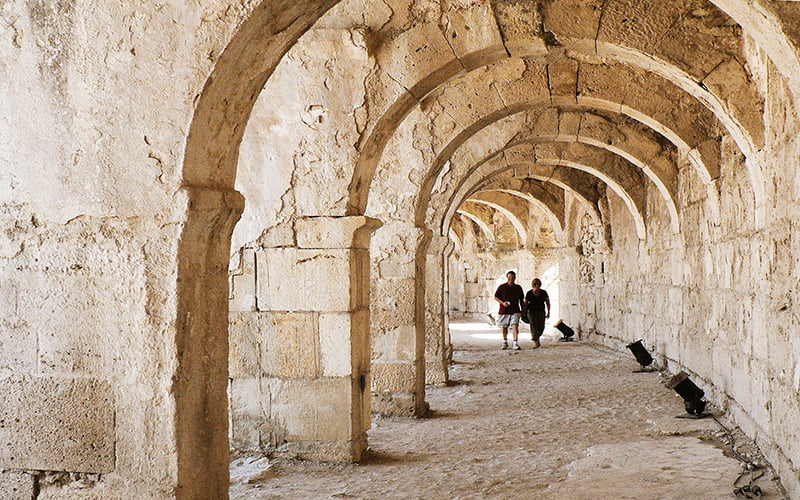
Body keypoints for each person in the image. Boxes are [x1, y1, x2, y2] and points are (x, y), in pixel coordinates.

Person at [494, 270, 525, 350]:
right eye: (509, 277)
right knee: (504, 327)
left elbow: (521, 300)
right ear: (507, 277)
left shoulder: (518, 288)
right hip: (504, 310)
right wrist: (502, 303)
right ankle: (505, 342)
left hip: (515, 310)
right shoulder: (502, 287)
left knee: (515, 326)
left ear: (515, 278)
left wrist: (523, 310)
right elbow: (496, 297)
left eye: (513, 277)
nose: (511, 278)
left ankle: (515, 342)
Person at [524, 278, 550, 348]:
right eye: (535, 284)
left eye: (538, 284)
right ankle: (536, 342)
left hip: (541, 311)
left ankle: (536, 337)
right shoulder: (529, 293)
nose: (536, 285)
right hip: (532, 312)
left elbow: (547, 302)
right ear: (533, 285)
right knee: (534, 326)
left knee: (541, 327)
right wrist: (524, 312)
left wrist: (548, 312)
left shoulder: (543, 292)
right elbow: (525, 303)